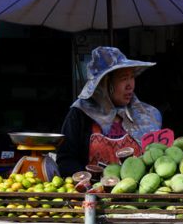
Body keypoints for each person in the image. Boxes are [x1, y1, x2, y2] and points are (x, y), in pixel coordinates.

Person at [57, 46, 162, 175]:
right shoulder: (80, 114)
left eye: (132, 77)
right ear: (105, 83)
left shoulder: (147, 115)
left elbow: (159, 157)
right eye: (124, 78)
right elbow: (66, 159)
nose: (130, 85)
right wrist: (86, 182)